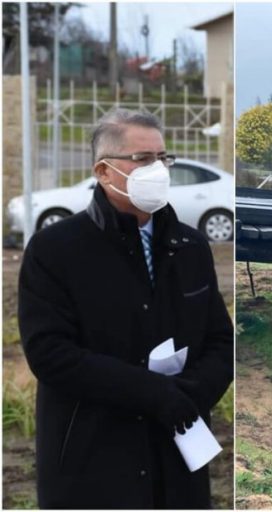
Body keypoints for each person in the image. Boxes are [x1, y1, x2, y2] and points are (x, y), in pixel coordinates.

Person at [18, 109, 233, 509]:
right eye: (143, 159)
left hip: (178, 456)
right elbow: (50, 355)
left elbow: (220, 340)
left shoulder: (190, 247)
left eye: (163, 158)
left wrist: (192, 392)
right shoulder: (55, 250)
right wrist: (152, 392)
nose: (160, 169)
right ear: (103, 171)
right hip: (93, 461)